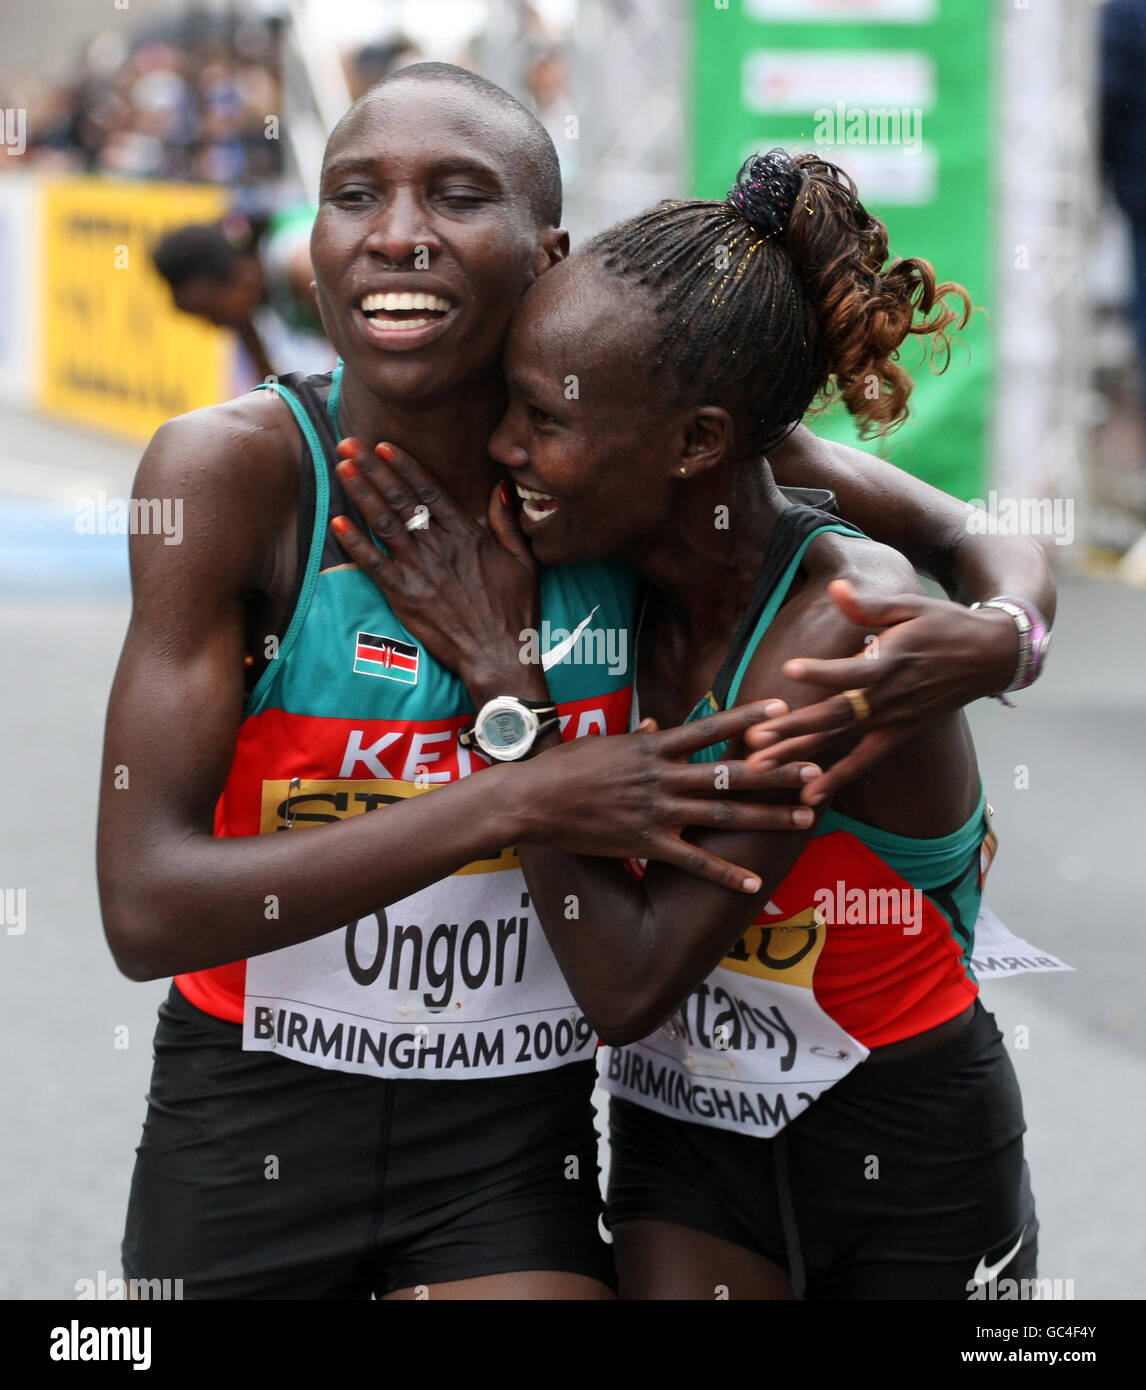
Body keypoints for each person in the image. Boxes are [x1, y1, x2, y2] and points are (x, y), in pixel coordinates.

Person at [99, 65, 1051, 1301]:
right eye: (352, 195)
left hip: (512, 1153)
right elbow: (145, 907)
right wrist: (518, 784)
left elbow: (964, 529)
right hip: (251, 1130)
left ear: (544, 253)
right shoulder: (238, 475)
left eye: (455, 194)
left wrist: (1005, 634)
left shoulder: (621, 436)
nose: (397, 233)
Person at [331, 148, 1046, 1300]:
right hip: (684, 1132)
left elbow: (629, 980)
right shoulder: (636, 535)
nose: (504, 449)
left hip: (908, 1150)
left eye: (543, 420)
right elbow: (978, 532)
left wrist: (507, 696)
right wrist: (1019, 624)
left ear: (696, 444)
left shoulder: (835, 626)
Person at [152, 206, 329, 381]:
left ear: (241, 275)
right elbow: (272, 387)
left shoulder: (300, 264)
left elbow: (352, 353)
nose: (215, 324)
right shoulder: (245, 306)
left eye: (211, 312)